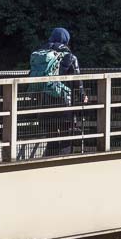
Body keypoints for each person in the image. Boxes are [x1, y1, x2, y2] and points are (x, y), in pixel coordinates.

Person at [29, 27, 89, 156]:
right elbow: (77, 80)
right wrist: (82, 96)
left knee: (51, 137)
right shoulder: (70, 57)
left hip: (44, 102)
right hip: (64, 104)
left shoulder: (41, 55)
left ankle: (48, 162)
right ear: (66, 40)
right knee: (66, 137)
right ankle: (64, 161)